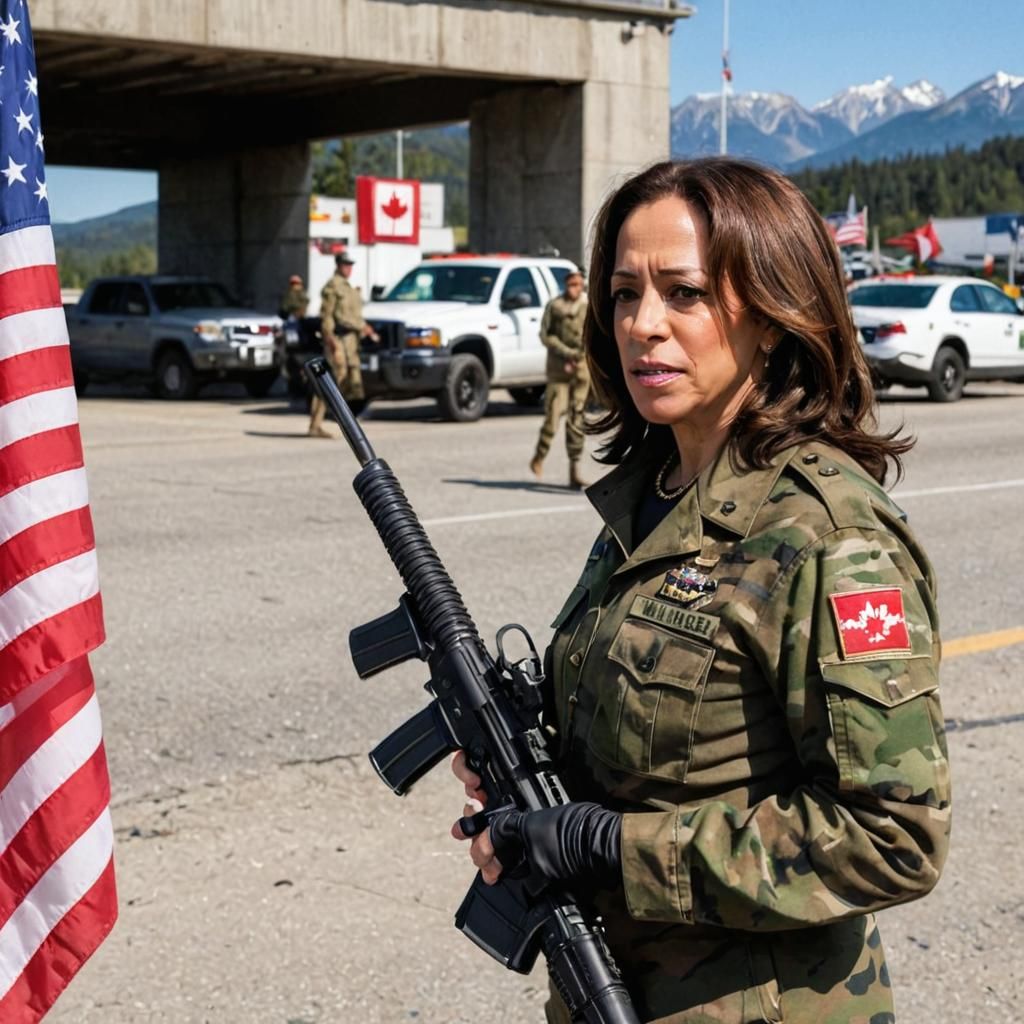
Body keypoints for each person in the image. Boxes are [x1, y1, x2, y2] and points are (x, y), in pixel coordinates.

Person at [452, 158, 951, 1022]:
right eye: (623, 293)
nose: (643, 325)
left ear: (770, 312)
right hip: (614, 991)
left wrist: (611, 848)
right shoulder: (652, 500)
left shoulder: (826, 536)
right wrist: (530, 790)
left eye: (684, 293)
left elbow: (894, 838)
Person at [530, 267, 590, 489]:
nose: (574, 289)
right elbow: (546, 335)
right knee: (553, 417)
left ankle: (574, 471)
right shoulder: (555, 306)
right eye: (570, 284)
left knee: (577, 419)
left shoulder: (588, 306)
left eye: (577, 284)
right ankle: (539, 455)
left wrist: (582, 355)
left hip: (582, 370)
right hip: (559, 370)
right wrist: (565, 353)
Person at [308, 252, 379, 438]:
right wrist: (329, 338)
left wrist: (366, 328)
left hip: (351, 342)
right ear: (338, 265)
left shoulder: (349, 288)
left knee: (350, 382)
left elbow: (353, 316)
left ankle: (347, 421)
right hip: (337, 340)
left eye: (350, 265)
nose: (349, 268)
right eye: (345, 265)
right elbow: (327, 315)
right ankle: (315, 424)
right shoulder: (333, 287)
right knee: (330, 381)